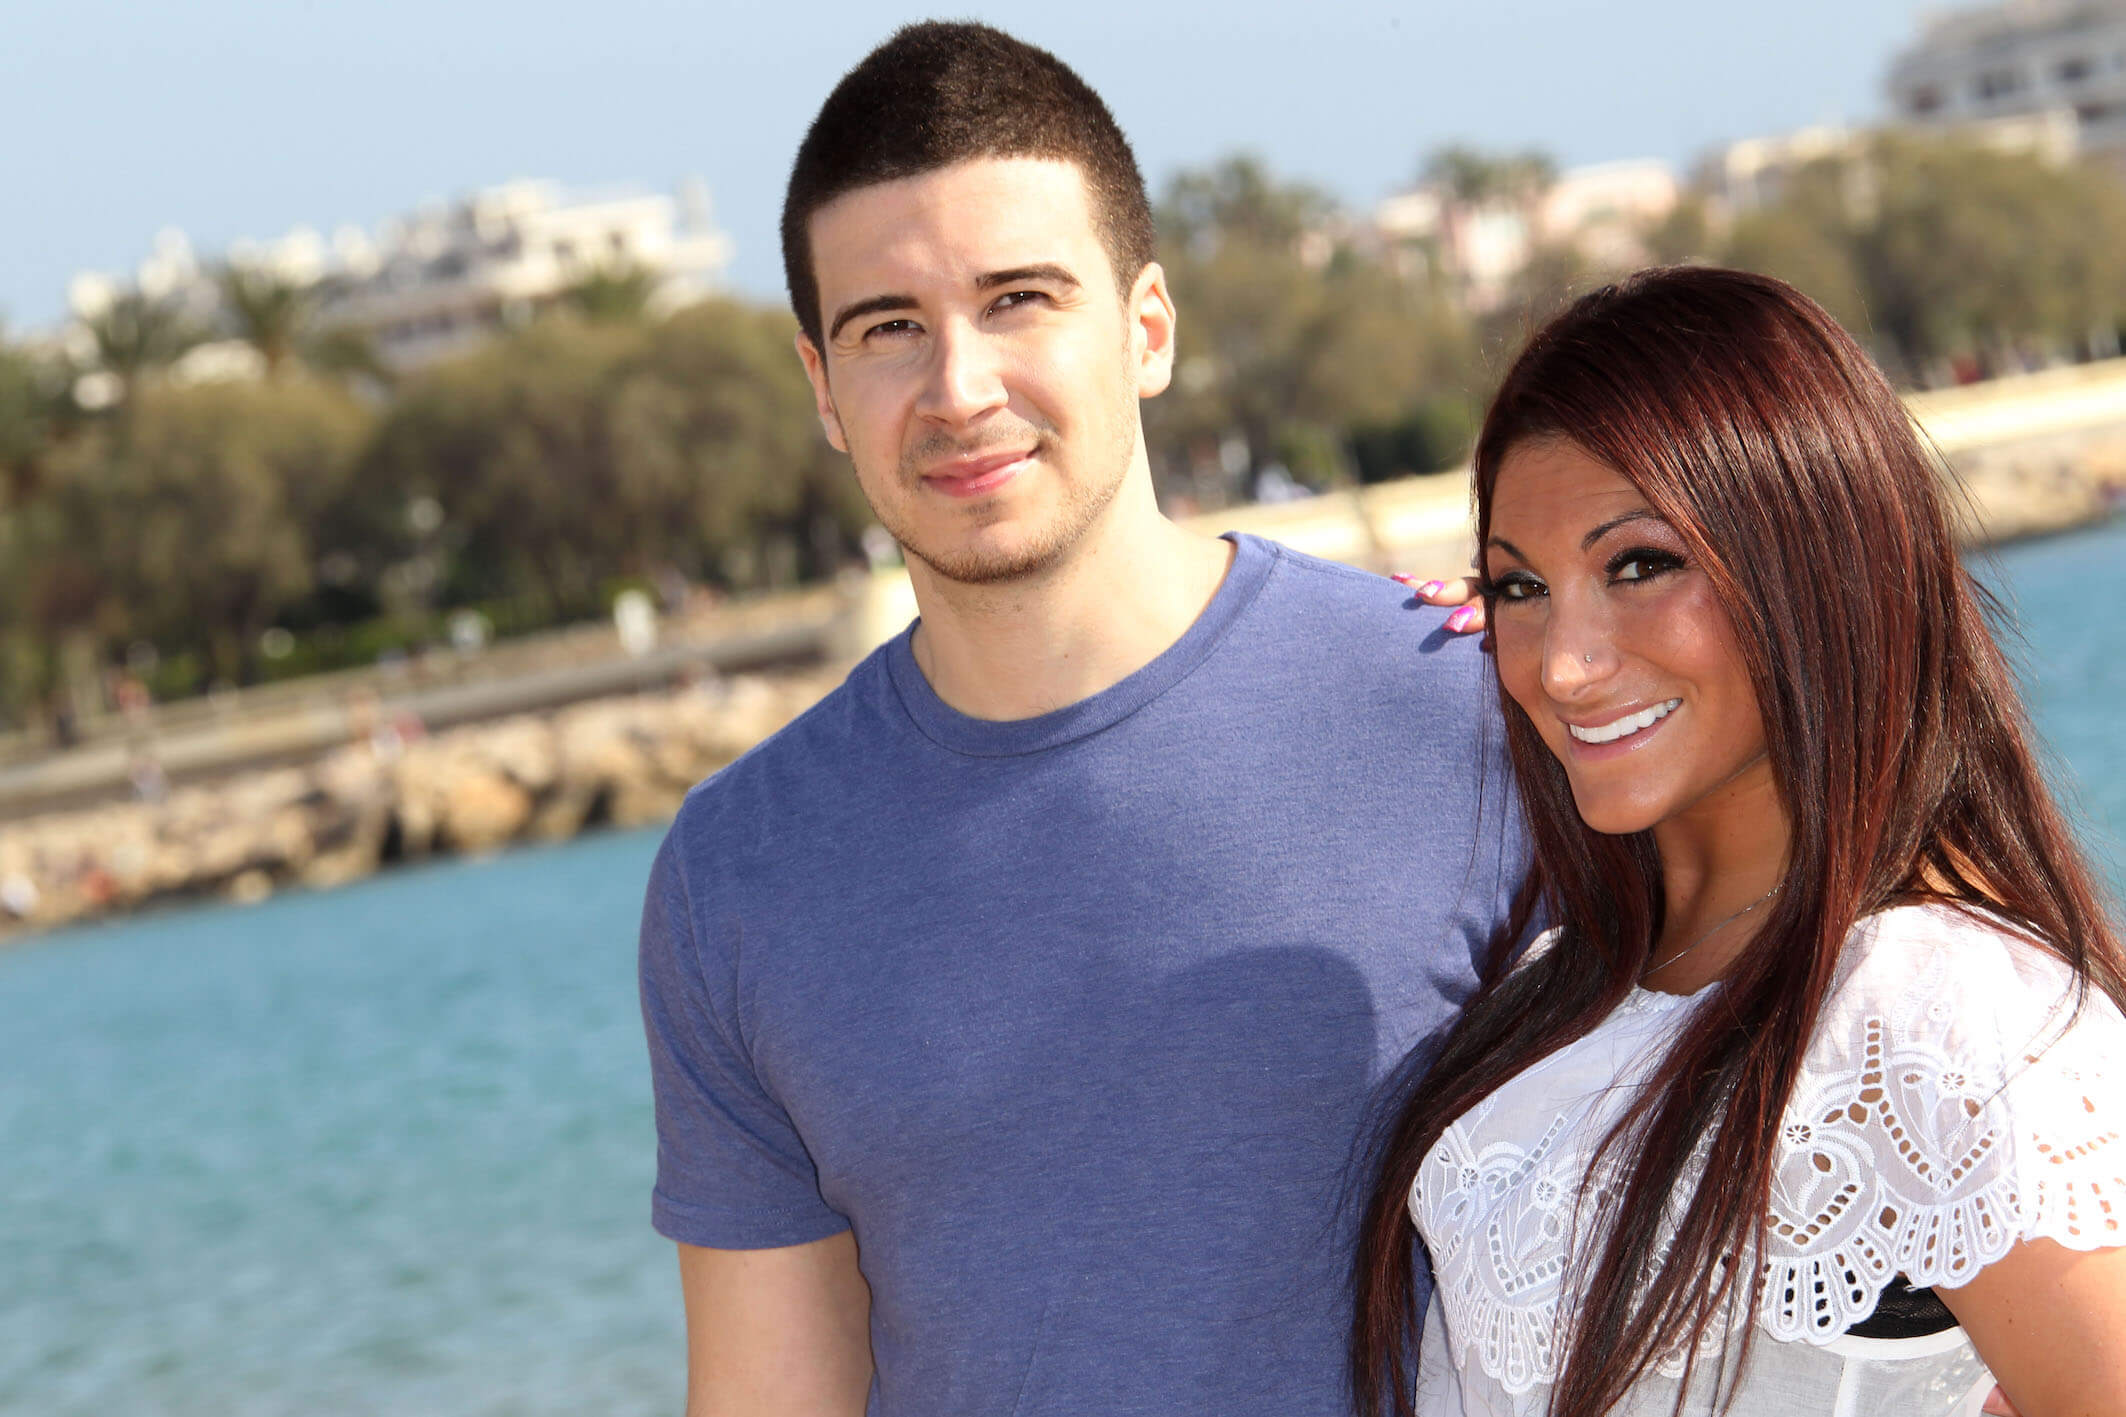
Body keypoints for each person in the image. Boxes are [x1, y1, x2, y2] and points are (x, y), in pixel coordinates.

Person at [637, 21, 1518, 1417]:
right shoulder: (735, 873)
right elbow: (770, 1391)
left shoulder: (1464, 698)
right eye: (887, 329)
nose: (957, 388)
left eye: (1019, 299)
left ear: (1146, 328)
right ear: (820, 387)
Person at [1351, 266, 2126, 1417]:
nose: (1561, 663)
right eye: (1519, 585)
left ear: (1811, 561)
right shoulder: (1544, 992)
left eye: (1638, 565)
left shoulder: (1939, 1014)